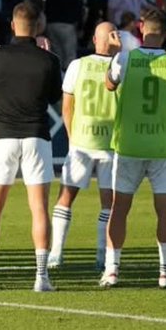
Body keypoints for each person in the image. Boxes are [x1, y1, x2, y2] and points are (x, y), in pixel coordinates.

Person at [0, 1, 62, 292]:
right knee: (39, 209)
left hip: (3, 137)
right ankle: (41, 278)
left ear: (12, 25)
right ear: (38, 27)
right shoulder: (49, 60)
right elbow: (54, 96)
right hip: (36, 136)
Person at [102, 9, 166, 289]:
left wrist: (114, 53)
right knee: (165, 210)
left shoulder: (126, 58)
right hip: (163, 146)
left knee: (119, 209)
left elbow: (109, 84)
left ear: (141, 28)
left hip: (130, 144)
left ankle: (112, 271)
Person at [48, 22, 121, 270]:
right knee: (108, 203)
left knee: (66, 198)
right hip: (110, 143)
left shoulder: (78, 65)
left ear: (93, 39)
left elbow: (66, 106)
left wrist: (71, 137)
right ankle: (102, 256)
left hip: (81, 141)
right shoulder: (121, 66)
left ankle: (56, 254)